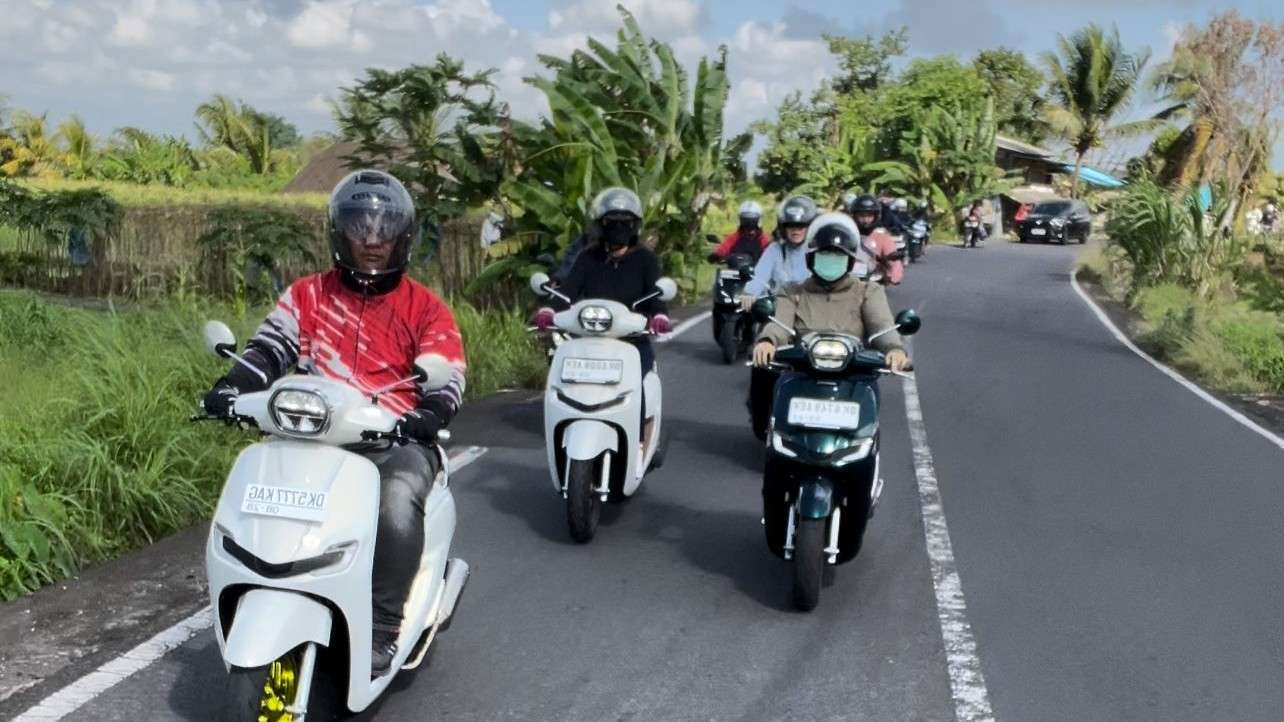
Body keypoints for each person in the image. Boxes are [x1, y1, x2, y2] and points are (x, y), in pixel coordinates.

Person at [200, 170, 467, 676]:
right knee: (257, 477)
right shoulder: (306, 295)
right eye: (359, 227)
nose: (370, 240)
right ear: (337, 232)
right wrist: (231, 386)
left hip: (391, 438)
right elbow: (268, 351)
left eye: (383, 230)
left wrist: (428, 415)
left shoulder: (425, 308)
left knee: (397, 497)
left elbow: (446, 376)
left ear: (401, 237)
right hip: (310, 432)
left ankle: (384, 626)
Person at [746, 213, 910, 439]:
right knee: (762, 369)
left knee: (867, 423)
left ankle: (866, 449)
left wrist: (894, 349)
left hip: (853, 373)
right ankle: (767, 430)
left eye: (838, 255)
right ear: (811, 258)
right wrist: (767, 341)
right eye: (824, 254)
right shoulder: (792, 291)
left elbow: (881, 324)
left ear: (850, 260)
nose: (831, 259)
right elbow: (780, 325)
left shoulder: (868, 292)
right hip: (802, 369)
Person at [736, 195, 819, 309]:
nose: (796, 230)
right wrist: (750, 292)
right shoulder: (775, 249)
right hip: (781, 311)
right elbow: (760, 275)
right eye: (790, 225)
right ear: (783, 227)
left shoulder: (819, 250)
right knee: (766, 326)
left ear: (810, 227)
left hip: (813, 309)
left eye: (801, 226)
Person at [846, 194, 904, 285]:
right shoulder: (846, 234)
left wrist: (894, 275)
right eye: (861, 215)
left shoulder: (882, 237)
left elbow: (893, 258)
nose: (865, 220)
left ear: (876, 217)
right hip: (845, 280)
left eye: (869, 216)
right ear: (854, 216)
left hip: (872, 283)